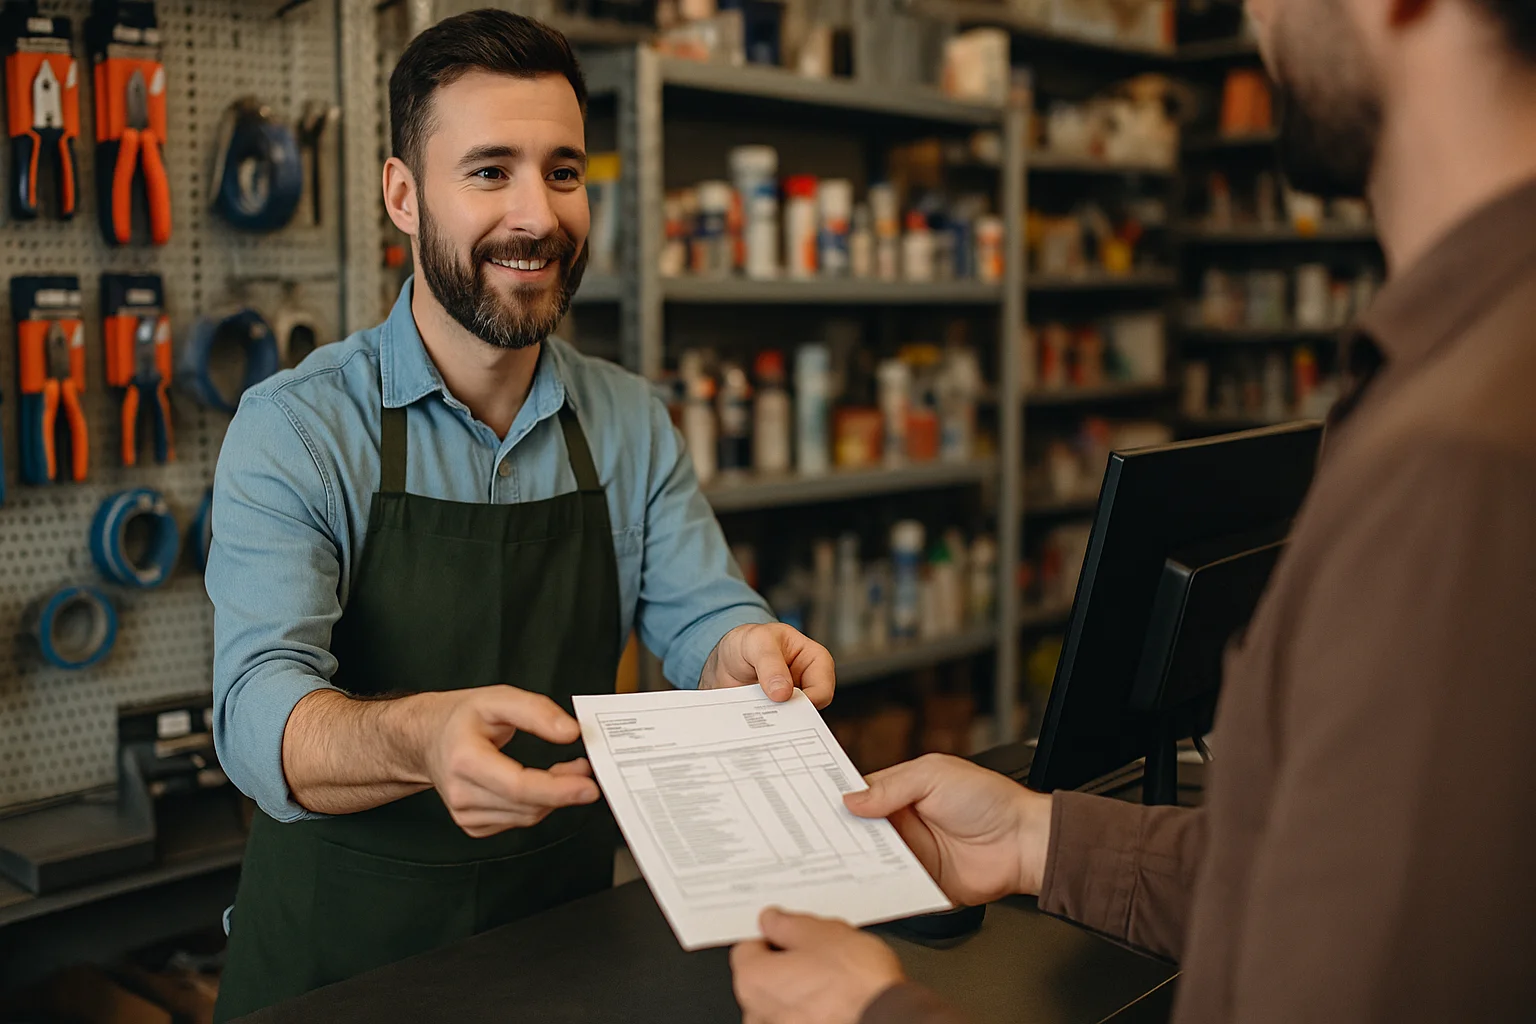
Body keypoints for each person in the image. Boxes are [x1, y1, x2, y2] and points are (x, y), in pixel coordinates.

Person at [731, 0, 1536, 1020]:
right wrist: (1035, 838)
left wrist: (872, 1013)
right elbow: (1325, 886)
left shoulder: (1462, 461)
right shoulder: (1465, 377)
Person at [206, 10, 834, 1020]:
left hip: (564, 955)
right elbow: (255, 717)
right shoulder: (300, 429)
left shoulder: (629, 421)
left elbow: (705, 616)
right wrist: (422, 738)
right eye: (490, 171)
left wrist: (741, 653)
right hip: (337, 973)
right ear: (404, 196)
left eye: (565, 171)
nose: (537, 215)